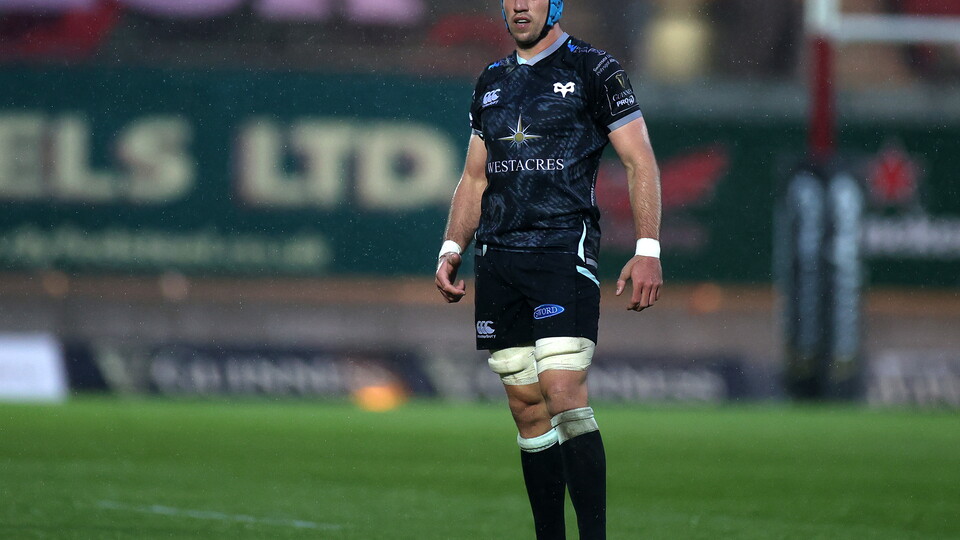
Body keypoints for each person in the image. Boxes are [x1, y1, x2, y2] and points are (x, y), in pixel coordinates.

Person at [435, 0, 662, 538]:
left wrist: (648, 247)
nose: (518, 5)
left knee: (562, 391)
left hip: (562, 251)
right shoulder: (490, 80)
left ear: (554, 4)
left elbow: (640, 159)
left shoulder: (594, 69)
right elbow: (474, 178)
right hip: (498, 258)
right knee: (526, 407)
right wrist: (450, 247)